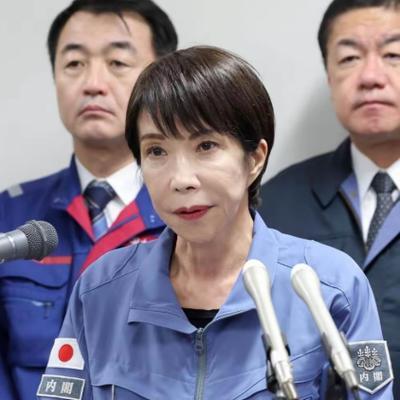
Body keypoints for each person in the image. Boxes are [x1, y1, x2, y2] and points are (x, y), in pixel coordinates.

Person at [37, 46, 393, 399]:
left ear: (255, 158)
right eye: (156, 151)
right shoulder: (100, 291)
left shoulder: (329, 286)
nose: (181, 179)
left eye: (205, 146)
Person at [0, 1, 177, 399]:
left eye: (117, 63)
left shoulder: (194, 215)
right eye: (75, 64)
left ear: (162, 80)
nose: (93, 83)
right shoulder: (9, 217)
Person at [259, 0, 400, 395]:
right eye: (349, 58)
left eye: (393, 55)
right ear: (329, 76)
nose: (371, 77)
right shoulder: (274, 203)